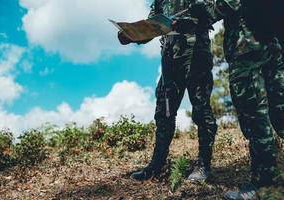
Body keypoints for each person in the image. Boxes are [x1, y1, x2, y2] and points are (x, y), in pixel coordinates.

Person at [188, 0, 283, 199]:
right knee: (280, 111)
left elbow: (227, 4)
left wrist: (201, 10)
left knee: (254, 117)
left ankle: (265, 185)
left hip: (246, 47)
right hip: (272, 41)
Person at [118, 0, 217, 183]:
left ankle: (203, 165)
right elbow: (152, 25)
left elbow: (214, 10)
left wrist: (196, 18)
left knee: (201, 111)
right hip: (170, 58)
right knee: (164, 111)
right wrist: (131, 35)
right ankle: (157, 165)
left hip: (196, 53)